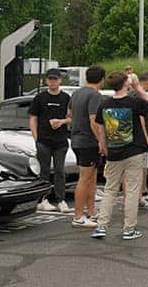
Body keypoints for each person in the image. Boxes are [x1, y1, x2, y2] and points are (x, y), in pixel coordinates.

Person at [91, 72, 148, 241]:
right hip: (134, 150)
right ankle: (129, 229)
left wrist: (103, 146)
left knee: (110, 189)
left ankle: (101, 226)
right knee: (132, 190)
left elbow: (100, 128)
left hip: (114, 152)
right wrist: (137, 86)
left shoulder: (105, 104)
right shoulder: (134, 102)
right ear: (126, 83)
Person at [29, 69, 73, 215]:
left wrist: (61, 122)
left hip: (60, 140)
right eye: (50, 79)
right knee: (44, 171)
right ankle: (43, 199)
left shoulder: (66, 97)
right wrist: (36, 138)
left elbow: (72, 117)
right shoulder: (40, 97)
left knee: (60, 170)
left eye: (55, 79)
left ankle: (61, 199)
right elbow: (33, 118)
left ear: (60, 80)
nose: (53, 81)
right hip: (44, 140)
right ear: (46, 80)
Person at [68, 65, 106, 229]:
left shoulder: (76, 93)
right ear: (102, 79)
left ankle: (92, 212)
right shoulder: (95, 95)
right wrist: (101, 142)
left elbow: (69, 114)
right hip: (88, 141)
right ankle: (77, 216)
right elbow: (93, 120)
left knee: (91, 178)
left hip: (76, 139)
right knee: (84, 179)